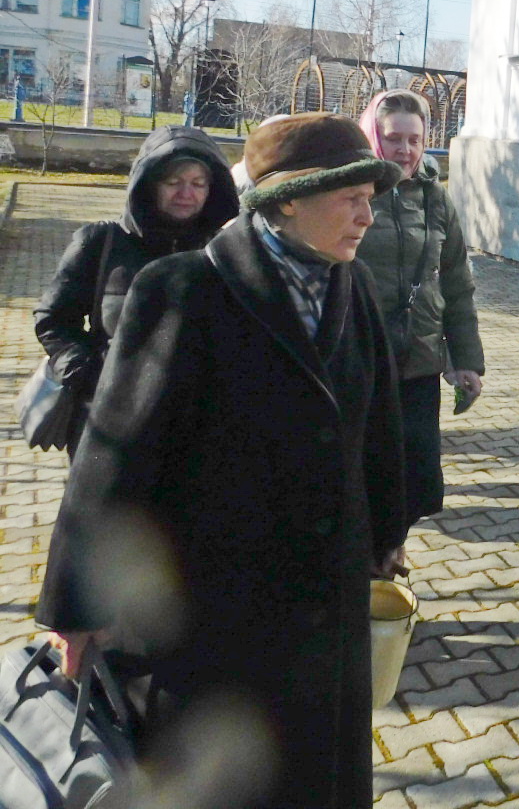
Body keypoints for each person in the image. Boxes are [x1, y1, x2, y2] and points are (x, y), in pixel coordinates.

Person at [37, 113, 407, 809]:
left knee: (317, 775)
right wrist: (78, 607)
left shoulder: (349, 284)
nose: (367, 216)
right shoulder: (181, 291)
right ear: (288, 201)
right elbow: (116, 458)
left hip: (324, 599)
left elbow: (377, 420)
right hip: (212, 607)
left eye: (370, 199)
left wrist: (387, 531)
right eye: (351, 198)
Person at [34, 125, 240, 453]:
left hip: (195, 429)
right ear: (149, 184)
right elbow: (53, 319)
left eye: (198, 183)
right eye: (173, 182)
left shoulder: (226, 252)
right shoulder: (100, 243)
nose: (186, 193)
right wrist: (87, 373)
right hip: (108, 423)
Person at [356, 90, 485, 535]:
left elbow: (457, 283)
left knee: (416, 475)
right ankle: (368, 557)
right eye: (394, 138)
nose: (405, 150)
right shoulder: (351, 192)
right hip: (361, 359)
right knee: (364, 475)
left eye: (415, 139)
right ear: (373, 137)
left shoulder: (435, 198)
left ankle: (394, 546)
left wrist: (466, 360)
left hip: (420, 360)